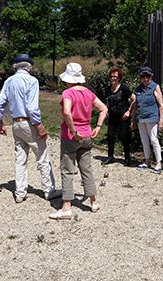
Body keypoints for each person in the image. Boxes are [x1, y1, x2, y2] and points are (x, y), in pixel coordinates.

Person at [0, 54, 61, 203]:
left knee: (20, 159)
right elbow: (31, 106)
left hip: (16, 123)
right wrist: (39, 125)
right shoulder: (31, 80)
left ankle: (20, 192)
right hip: (29, 123)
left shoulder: (9, 81)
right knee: (42, 157)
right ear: (28, 66)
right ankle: (49, 190)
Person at [49, 63, 108, 220]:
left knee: (67, 170)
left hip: (71, 137)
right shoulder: (89, 93)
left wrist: (73, 131)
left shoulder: (68, 93)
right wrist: (98, 126)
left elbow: (67, 112)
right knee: (86, 169)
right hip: (87, 136)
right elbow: (103, 109)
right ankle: (93, 202)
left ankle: (66, 207)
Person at [131, 66, 163, 174]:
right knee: (144, 140)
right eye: (143, 76)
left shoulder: (155, 87)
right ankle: (147, 160)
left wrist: (161, 120)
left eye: (147, 76)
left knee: (154, 139)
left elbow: (161, 105)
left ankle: (159, 162)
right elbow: (135, 105)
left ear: (151, 76)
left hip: (152, 117)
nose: (145, 79)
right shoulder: (138, 89)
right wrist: (133, 118)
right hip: (141, 118)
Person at [103, 67, 135, 166]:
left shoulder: (124, 88)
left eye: (115, 77)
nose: (113, 79)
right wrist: (106, 110)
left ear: (119, 78)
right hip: (112, 117)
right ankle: (110, 156)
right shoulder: (108, 89)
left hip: (123, 117)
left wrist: (129, 111)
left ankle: (127, 157)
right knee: (110, 136)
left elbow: (134, 99)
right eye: (112, 77)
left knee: (124, 137)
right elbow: (108, 100)